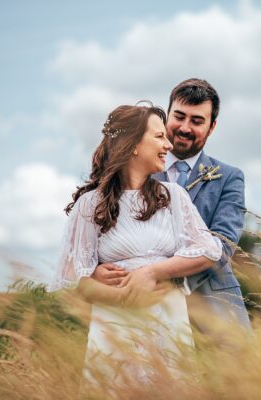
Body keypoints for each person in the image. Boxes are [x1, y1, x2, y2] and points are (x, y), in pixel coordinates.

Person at [48, 103, 222, 384]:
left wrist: (152, 272)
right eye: (158, 137)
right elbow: (77, 281)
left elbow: (208, 251)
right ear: (133, 145)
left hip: (167, 322)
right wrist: (125, 298)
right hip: (115, 327)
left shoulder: (173, 197)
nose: (168, 144)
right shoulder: (90, 206)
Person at [92, 78, 252, 335]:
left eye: (197, 121)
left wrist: (156, 273)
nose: (185, 127)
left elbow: (221, 248)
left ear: (212, 127)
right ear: (167, 116)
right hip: (141, 311)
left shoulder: (229, 177)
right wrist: (97, 271)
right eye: (179, 116)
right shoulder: (132, 170)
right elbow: (102, 231)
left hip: (215, 314)